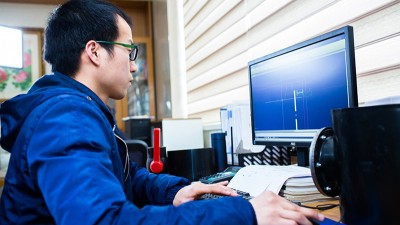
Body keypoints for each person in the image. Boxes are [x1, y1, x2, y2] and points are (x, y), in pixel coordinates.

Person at [0, 0, 324, 224]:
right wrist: (247, 215)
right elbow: (104, 221)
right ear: (95, 51)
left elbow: (126, 177)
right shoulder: (66, 119)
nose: (133, 64)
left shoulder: (76, 109)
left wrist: (175, 191)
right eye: (130, 50)